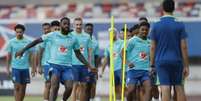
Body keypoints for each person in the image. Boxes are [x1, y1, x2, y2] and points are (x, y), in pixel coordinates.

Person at [15, 17, 96, 101]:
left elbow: (78, 54)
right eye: (64, 23)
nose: (66, 25)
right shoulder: (53, 35)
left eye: (68, 24)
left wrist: (89, 65)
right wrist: (23, 50)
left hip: (67, 67)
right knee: (55, 86)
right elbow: (36, 41)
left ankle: (63, 100)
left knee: (69, 87)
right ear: (60, 25)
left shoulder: (73, 38)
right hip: (54, 65)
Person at [150, 0, 189, 101]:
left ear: (162, 8)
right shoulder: (180, 24)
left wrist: (151, 64)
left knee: (165, 87)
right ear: (174, 8)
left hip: (161, 61)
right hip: (177, 60)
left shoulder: (156, 25)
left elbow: (153, 47)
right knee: (179, 87)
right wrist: (186, 65)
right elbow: (184, 46)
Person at [6, 24, 35, 101]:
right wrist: (7, 68)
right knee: (17, 87)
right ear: (15, 32)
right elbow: (8, 56)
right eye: (17, 32)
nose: (19, 33)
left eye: (20, 32)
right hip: (15, 68)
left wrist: (33, 68)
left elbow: (32, 56)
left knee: (23, 88)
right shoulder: (11, 42)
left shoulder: (28, 42)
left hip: (25, 68)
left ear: (23, 32)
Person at [126, 22, 151, 101]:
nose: (144, 31)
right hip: (133, 70)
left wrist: (152, 66)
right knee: (131, 90)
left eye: (146, 30)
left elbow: (151, 56)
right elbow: (122, 53)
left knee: (149, 89)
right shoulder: (132, 41)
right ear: (139, 30)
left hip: (145, 71)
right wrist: (128, 63)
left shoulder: (149, 42)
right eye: (142, 29)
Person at [71, 17, 94, 101]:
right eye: (76, 24)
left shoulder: (87, 36)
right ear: (73, 25)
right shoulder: (70, 35)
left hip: (84, 65)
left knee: (84, 86)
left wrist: (89, 64)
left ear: (82, 25)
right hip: (73, 64)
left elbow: (90, 51)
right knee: (75, 86)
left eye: (80, 24)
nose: (78, 26)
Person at [100, 28, 123, 101]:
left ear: (116, 34)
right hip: (113, 70)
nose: (111, 35)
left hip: (121, 68)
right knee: (116, 88)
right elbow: (106, 60)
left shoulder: (122, 42)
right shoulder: (108, 46)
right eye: (110, 34)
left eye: (113, 33)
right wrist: (102, 71)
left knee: (123, 87)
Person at [84, 23, 100, 101]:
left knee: (93, 85)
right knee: (83, 86)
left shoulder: (95, 41)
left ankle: (92, 99)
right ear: (84, 30)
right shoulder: (81, 39)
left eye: (91, 29)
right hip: (82, 67)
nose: (89, 31)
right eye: (88, 29)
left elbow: (97, 56)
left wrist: (96, 69)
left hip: (92, 67)